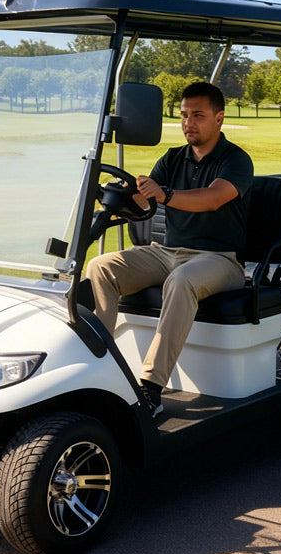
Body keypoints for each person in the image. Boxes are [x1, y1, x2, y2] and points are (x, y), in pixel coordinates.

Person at [86, 81, 254, 417]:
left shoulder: (236, 160)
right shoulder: (174, 157)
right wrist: (127, 192)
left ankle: (150, 386)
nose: (188, 123)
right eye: (183, 115)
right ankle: (97, 367)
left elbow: (213, 198)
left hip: (219, 259)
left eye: (198, 116)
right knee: (100, 266)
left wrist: (166, 195)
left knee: (181, 280)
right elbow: (146, 196)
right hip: (167, 251)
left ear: (219, 118)